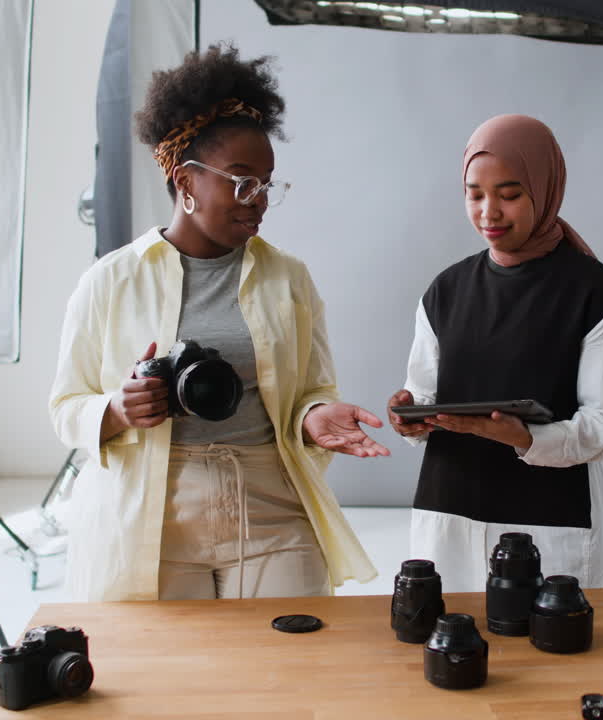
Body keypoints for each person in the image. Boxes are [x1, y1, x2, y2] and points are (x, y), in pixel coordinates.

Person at [49, 44, 385, 602]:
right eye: (241, 180)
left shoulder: (289, 279)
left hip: (270, 505)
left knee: (284, 671)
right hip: (148, 516)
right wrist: (114, 409)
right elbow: (65, 408)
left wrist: (316, 415)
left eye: (267, 185)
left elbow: (310, 390)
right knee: (176, 683)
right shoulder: (110, 281)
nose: (258, 201)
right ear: (185, 181)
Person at [387, 114, 603, 592]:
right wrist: (410, 418)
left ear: (544, 189)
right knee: (452, 651)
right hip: (449, 517)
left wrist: (524, 438)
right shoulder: (446, 290)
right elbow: (425, 396)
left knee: (555, 656)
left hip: (550, 522)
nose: (489, 213)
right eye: (474, 194)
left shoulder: (594, 293)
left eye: (509, 194)